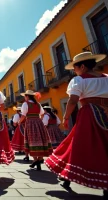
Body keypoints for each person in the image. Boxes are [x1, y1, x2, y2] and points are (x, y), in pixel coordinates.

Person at [44, 52, 108, 197]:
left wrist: (66, 117)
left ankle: (68, 177)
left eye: (75, 67)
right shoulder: (106, 78)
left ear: (83, 66)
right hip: (106, 113)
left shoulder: (80, 80)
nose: (74, 70)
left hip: (90, 114)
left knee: (80, 145)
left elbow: (73, 101)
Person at [18, 90, 52, 171]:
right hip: (39, 122)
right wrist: (38, 120)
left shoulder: (25, 104)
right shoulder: (38, 104)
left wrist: (19, 121)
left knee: (31, 140)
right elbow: (42, 114)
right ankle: (39, 159)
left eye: (25, 96)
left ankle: (35, 160)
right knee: (41, 139)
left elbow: (23, 115)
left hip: (30, 122)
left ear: (27, 96)